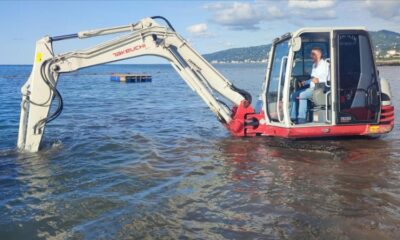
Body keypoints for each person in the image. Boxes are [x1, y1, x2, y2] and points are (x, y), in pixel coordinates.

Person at [290, 47, 330, 124]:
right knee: (294, 95)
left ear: (319, 54)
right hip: (312, 88)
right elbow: (313, 78)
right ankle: (293, 117)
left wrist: (316, 80)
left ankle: (301, 119)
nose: (311, 56)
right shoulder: (314, 65)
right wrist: (305, 82)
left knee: (302, 95)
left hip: (321, 88)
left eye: (313, 54)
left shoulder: (325, 65)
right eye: (311, 54)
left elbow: (325, 79)